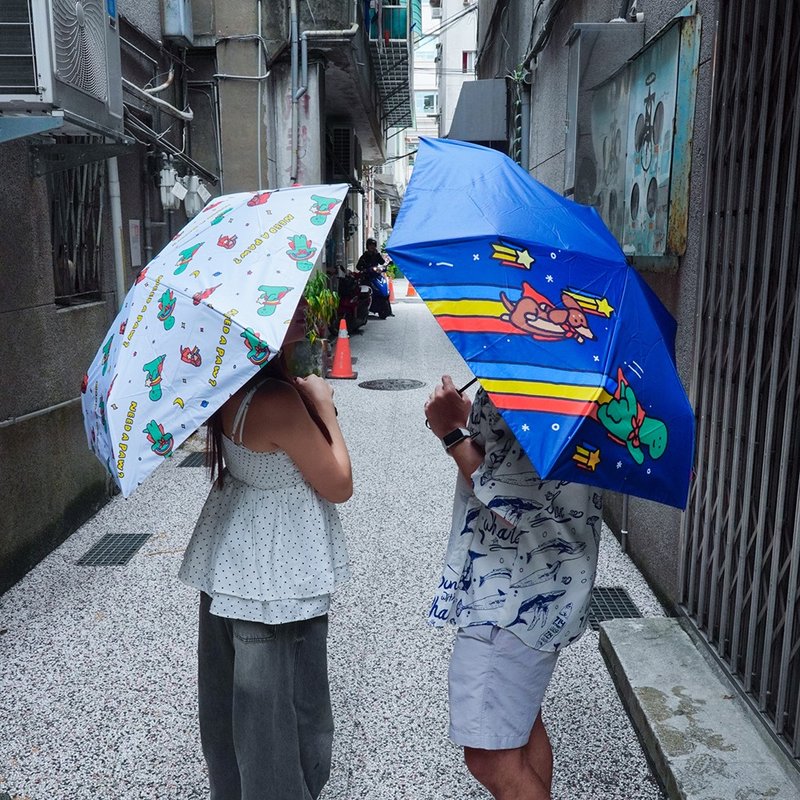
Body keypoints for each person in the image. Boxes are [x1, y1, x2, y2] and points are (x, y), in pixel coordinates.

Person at [178, 317, 352, 800]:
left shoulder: (228, 384)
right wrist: (325, 407)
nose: (302, 312)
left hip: (234, 551)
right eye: (289, 305)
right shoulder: (277, 400)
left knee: (231, 698)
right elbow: (339, 484)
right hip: (277, 570)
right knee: (280, 709)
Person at [424, 376, 601, 800]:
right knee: (517, 730)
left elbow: (511, 503)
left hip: (510, 591)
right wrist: (474, 416)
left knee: (490, 755)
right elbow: (529, 455)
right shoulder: (578, 375)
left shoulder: (535, 375)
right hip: (553, 576)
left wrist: (449, 431)